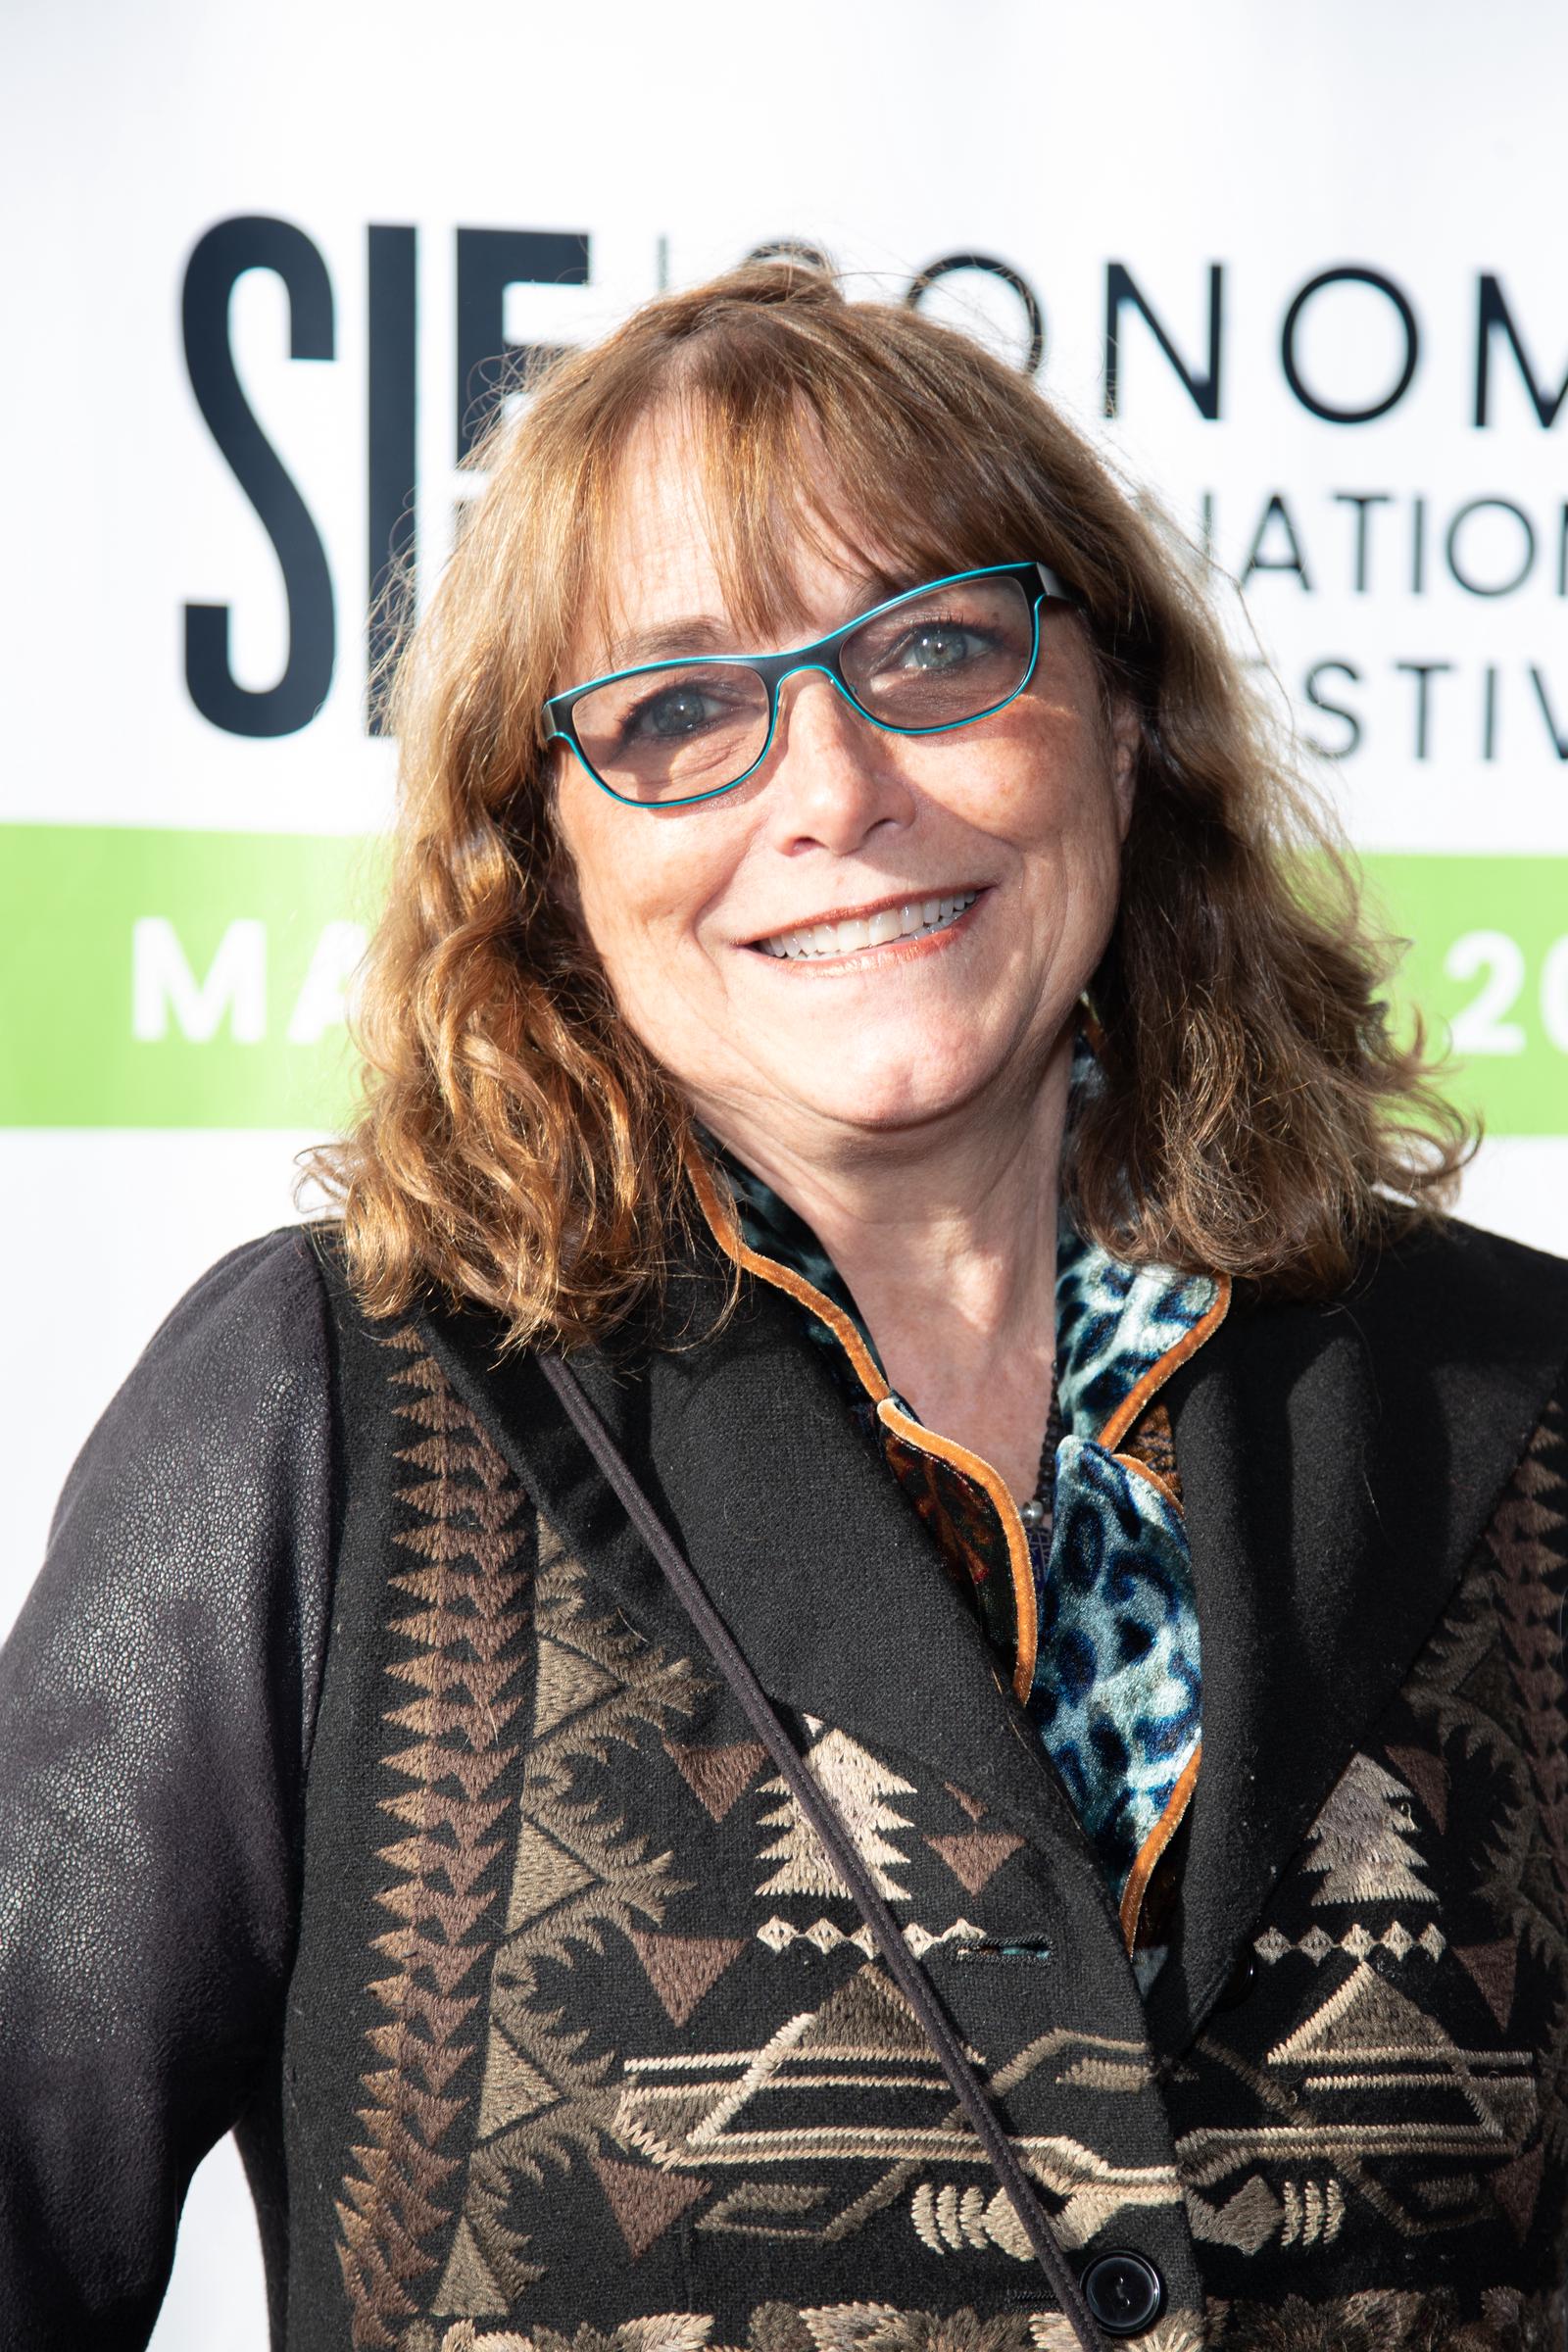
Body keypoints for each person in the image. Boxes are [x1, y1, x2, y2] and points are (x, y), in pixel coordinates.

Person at [4, 263, 1567, 2352]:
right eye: (672, 713)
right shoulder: (319, 1418)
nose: (828, 788)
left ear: (1122, 728)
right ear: (545, 856)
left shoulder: (1516, 1395)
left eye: (930, 645)